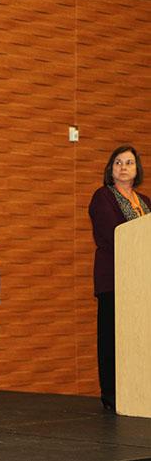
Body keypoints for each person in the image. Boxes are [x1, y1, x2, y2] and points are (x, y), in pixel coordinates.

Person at [88, 145, 149, 411]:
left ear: (137, 170)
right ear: (110, 169)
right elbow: (115, 234)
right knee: (112, 339)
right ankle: (112, 395)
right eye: (118, 163)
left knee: (141, 339)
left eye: (129, 163)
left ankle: (141, 392)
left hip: (142, 281)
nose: (123, 167)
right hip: (114, 280)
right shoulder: (103, 197)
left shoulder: (145, 201)